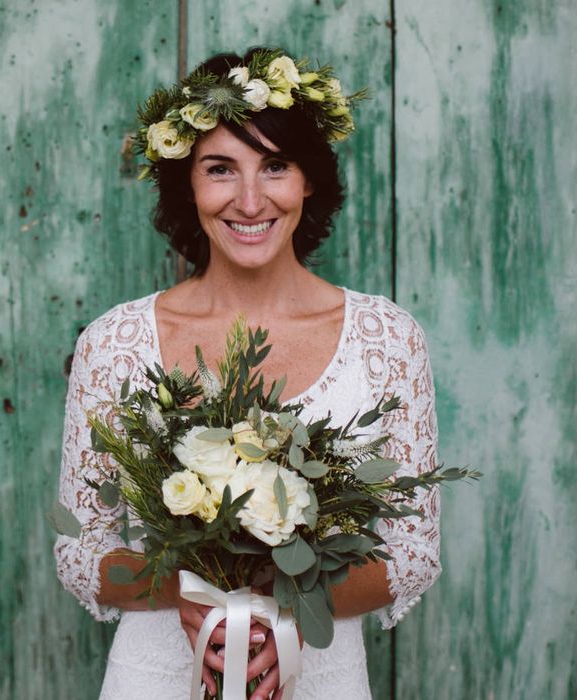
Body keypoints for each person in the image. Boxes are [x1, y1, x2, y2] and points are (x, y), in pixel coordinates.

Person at [54, 48, 441, 699]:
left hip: (317, 673)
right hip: (157, 672)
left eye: (276, 165)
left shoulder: (388, 338)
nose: (251, 199)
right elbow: (81, 554)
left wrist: (278, 612)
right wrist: (192, 592)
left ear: (308, 179)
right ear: (188, 184)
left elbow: (412, 556)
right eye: (220, 169)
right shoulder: (113, 344)